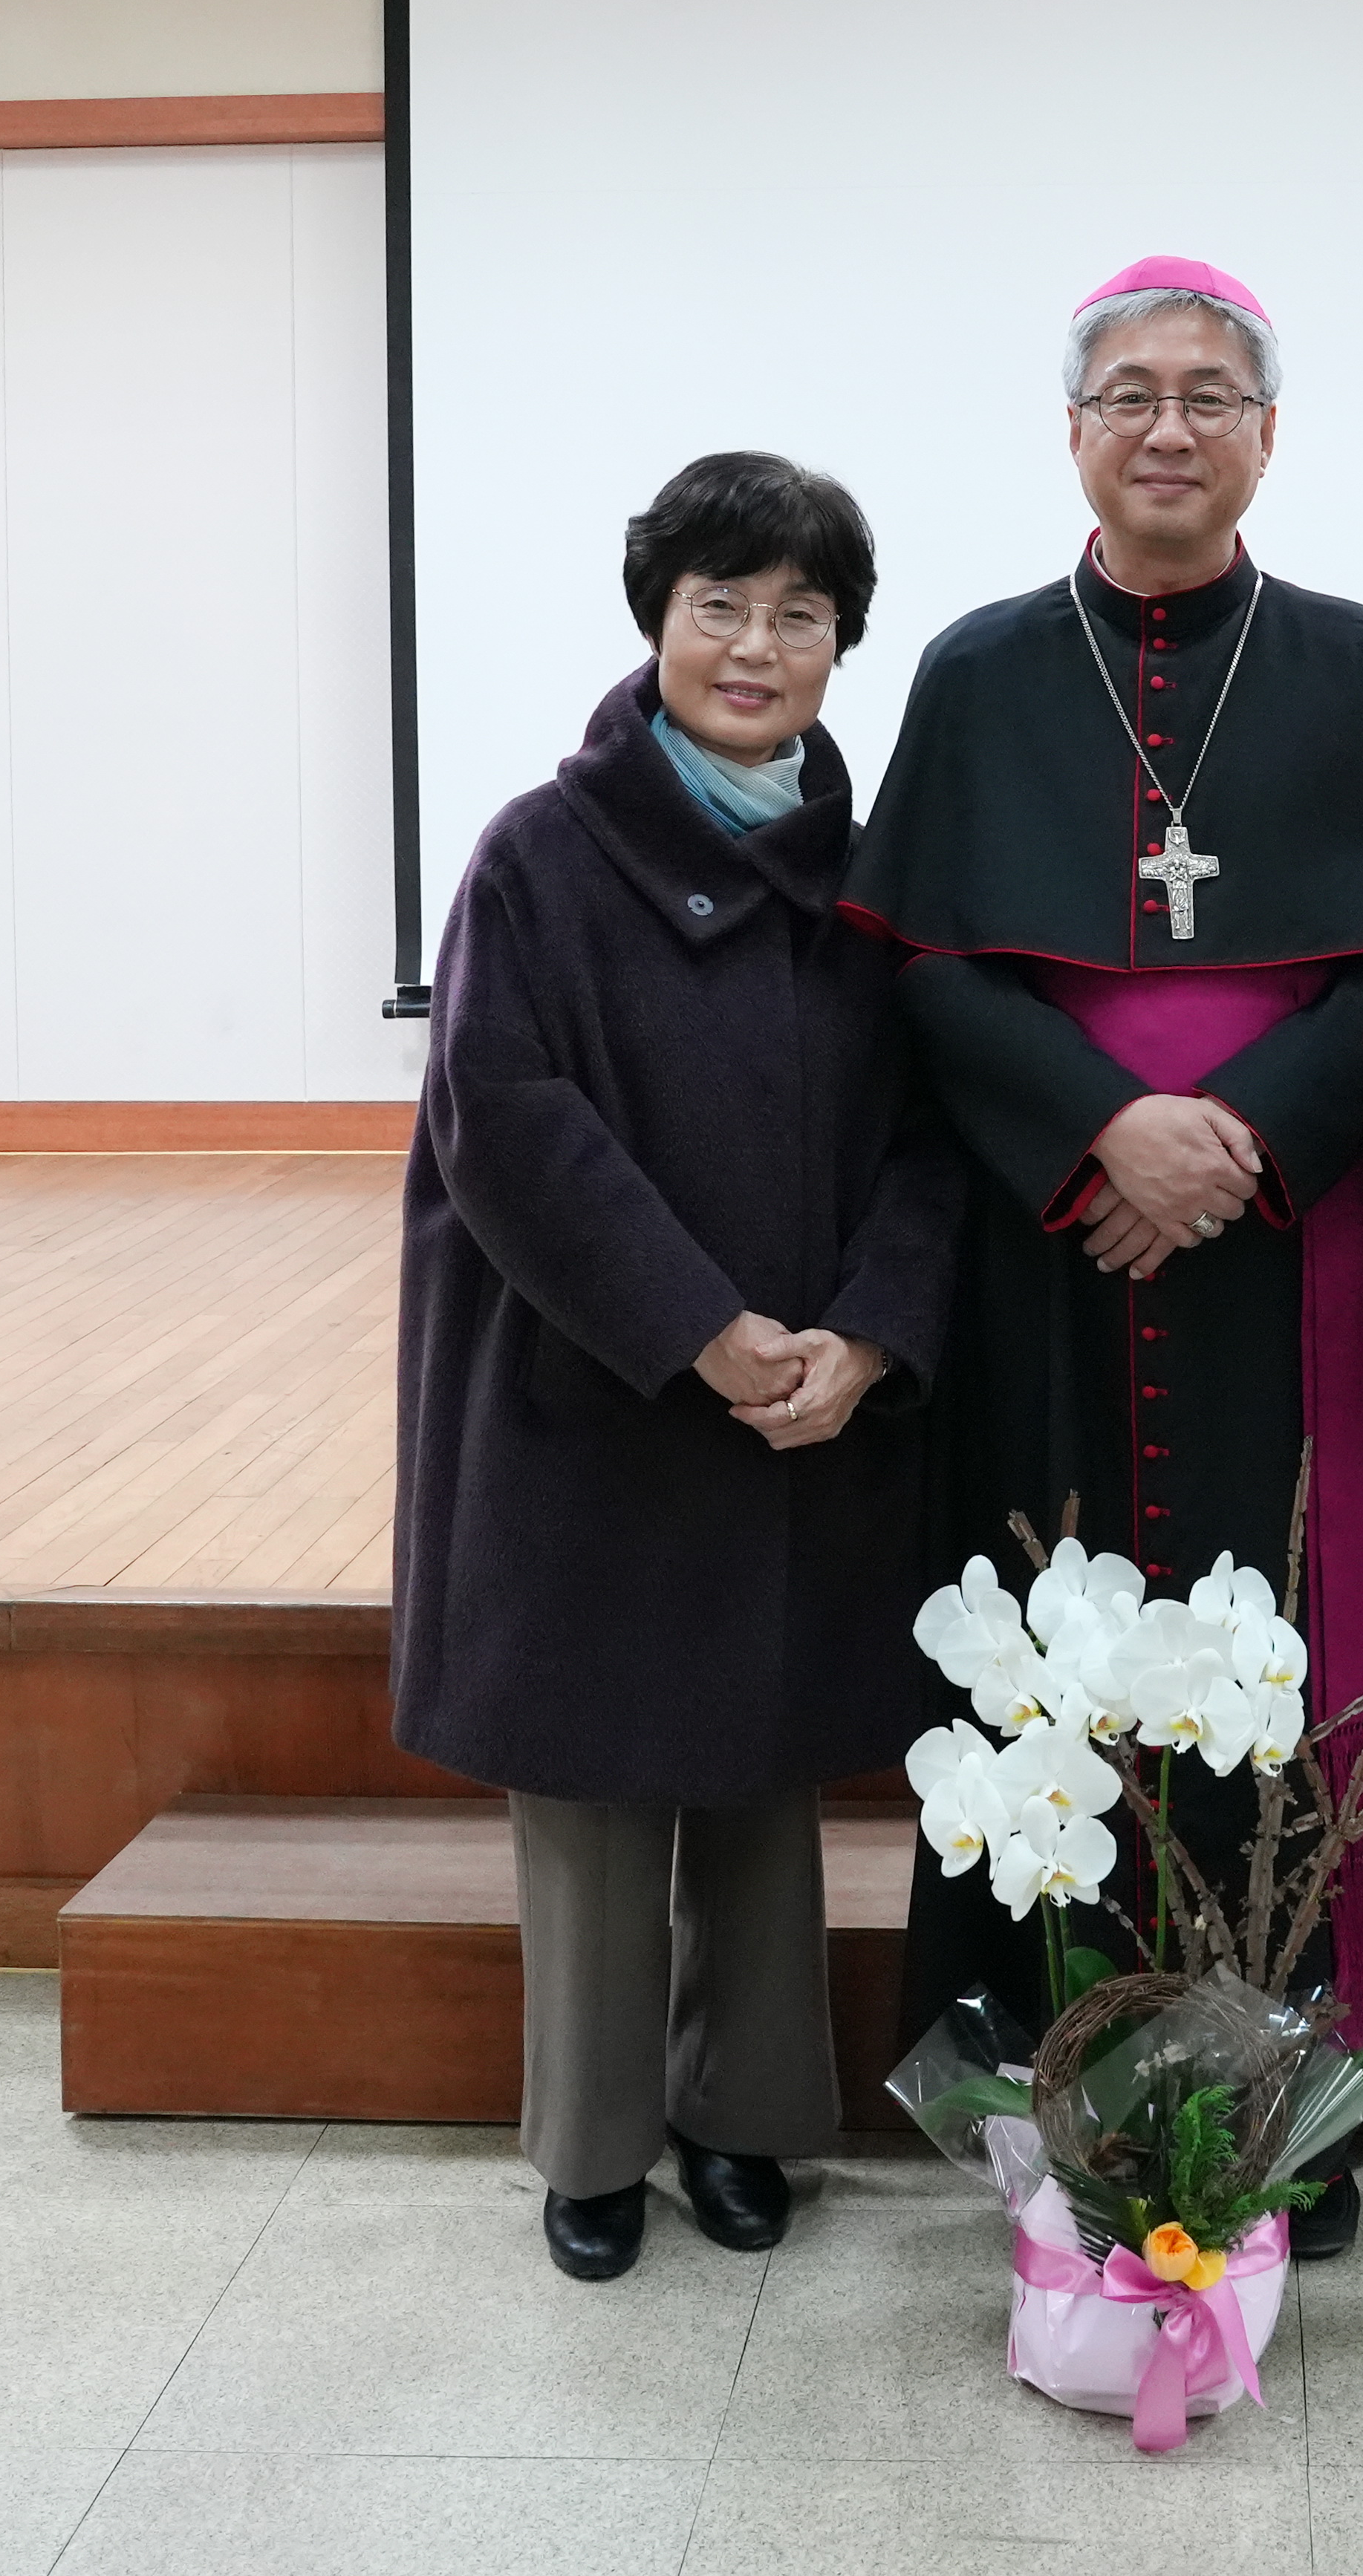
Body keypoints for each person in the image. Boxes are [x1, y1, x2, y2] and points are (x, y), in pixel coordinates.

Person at [845, 258, 1363, 2255]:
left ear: (1265, 437)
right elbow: (930, 974)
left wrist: (1241, 1141)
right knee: (1059, 1667)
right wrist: (1095, 1134)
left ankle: (1298, 2104)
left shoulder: (1360, 663)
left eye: (1208, 395)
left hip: (1290, 1247)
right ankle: (1061, 2107)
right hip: (1053, 1253)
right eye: (1128, 392)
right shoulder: (974, 672)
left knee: (1310, 1644)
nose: (1166, 426)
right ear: (1072, 432)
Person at [391, 450, 963, 2284]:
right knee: (590, 1789)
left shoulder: (872, 879)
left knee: (758, 1780)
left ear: (840, 647)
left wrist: (869, 1332)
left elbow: (934, 1135)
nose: (755, 644)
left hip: (806, 1399)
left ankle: (744, 2127)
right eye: (720, 603)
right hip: (596, 1391)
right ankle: (589, 2146)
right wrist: (699, 1330)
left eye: (801, 613)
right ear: (656, 619)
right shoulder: (538, 856)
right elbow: (508, 1121)